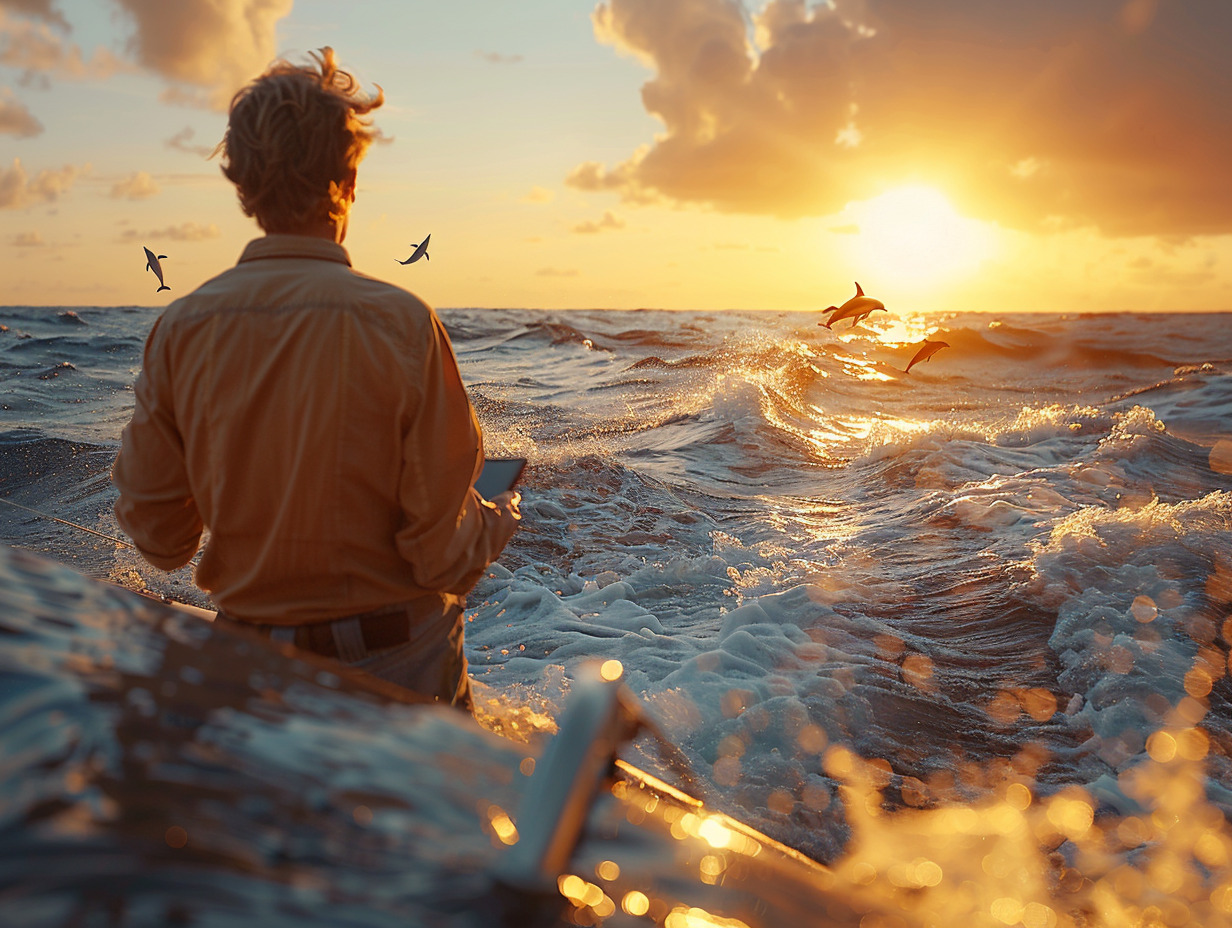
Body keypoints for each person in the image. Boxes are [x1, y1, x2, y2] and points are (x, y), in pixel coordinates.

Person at [112, 47, 520, 713]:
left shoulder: (180, 328)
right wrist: (497, 517)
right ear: (350, 180)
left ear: (243, 187)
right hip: (401, 664)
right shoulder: (403, 322)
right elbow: (438, 552)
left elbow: (159, 540)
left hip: (248, 667)